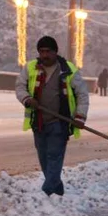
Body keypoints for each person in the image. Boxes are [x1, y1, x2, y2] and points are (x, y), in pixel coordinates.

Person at [15, 36, 89, 196]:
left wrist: (80, 116)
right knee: (45, 160)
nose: (45, 55)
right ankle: (58, 191)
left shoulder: (68, 70)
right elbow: (20, 86)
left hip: (60, 122)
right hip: (38, 122)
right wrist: (27, 99)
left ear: (55, 52)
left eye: (48, 51)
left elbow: (82, 94)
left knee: (54, 157)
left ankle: (46, 193)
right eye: (42, 51)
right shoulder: (31, 68)